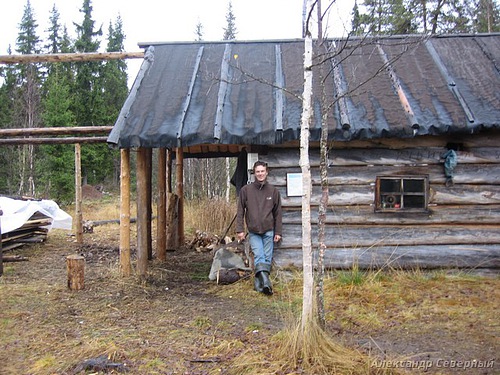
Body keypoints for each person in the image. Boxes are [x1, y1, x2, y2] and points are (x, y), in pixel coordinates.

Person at [236, 160, 282, 295]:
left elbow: (278, 213)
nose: (260, 174)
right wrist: (240, 230)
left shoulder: (273, 191)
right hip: (254, 231)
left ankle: (259, 285)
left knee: (267, 258)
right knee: (259, 255)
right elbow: (240, 211)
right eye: (258, 172)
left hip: (269, 230)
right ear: (254, 173)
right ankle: (266, 283)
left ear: (266, 172)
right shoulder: (246, 190)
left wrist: (278, 231)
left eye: (262, 171)